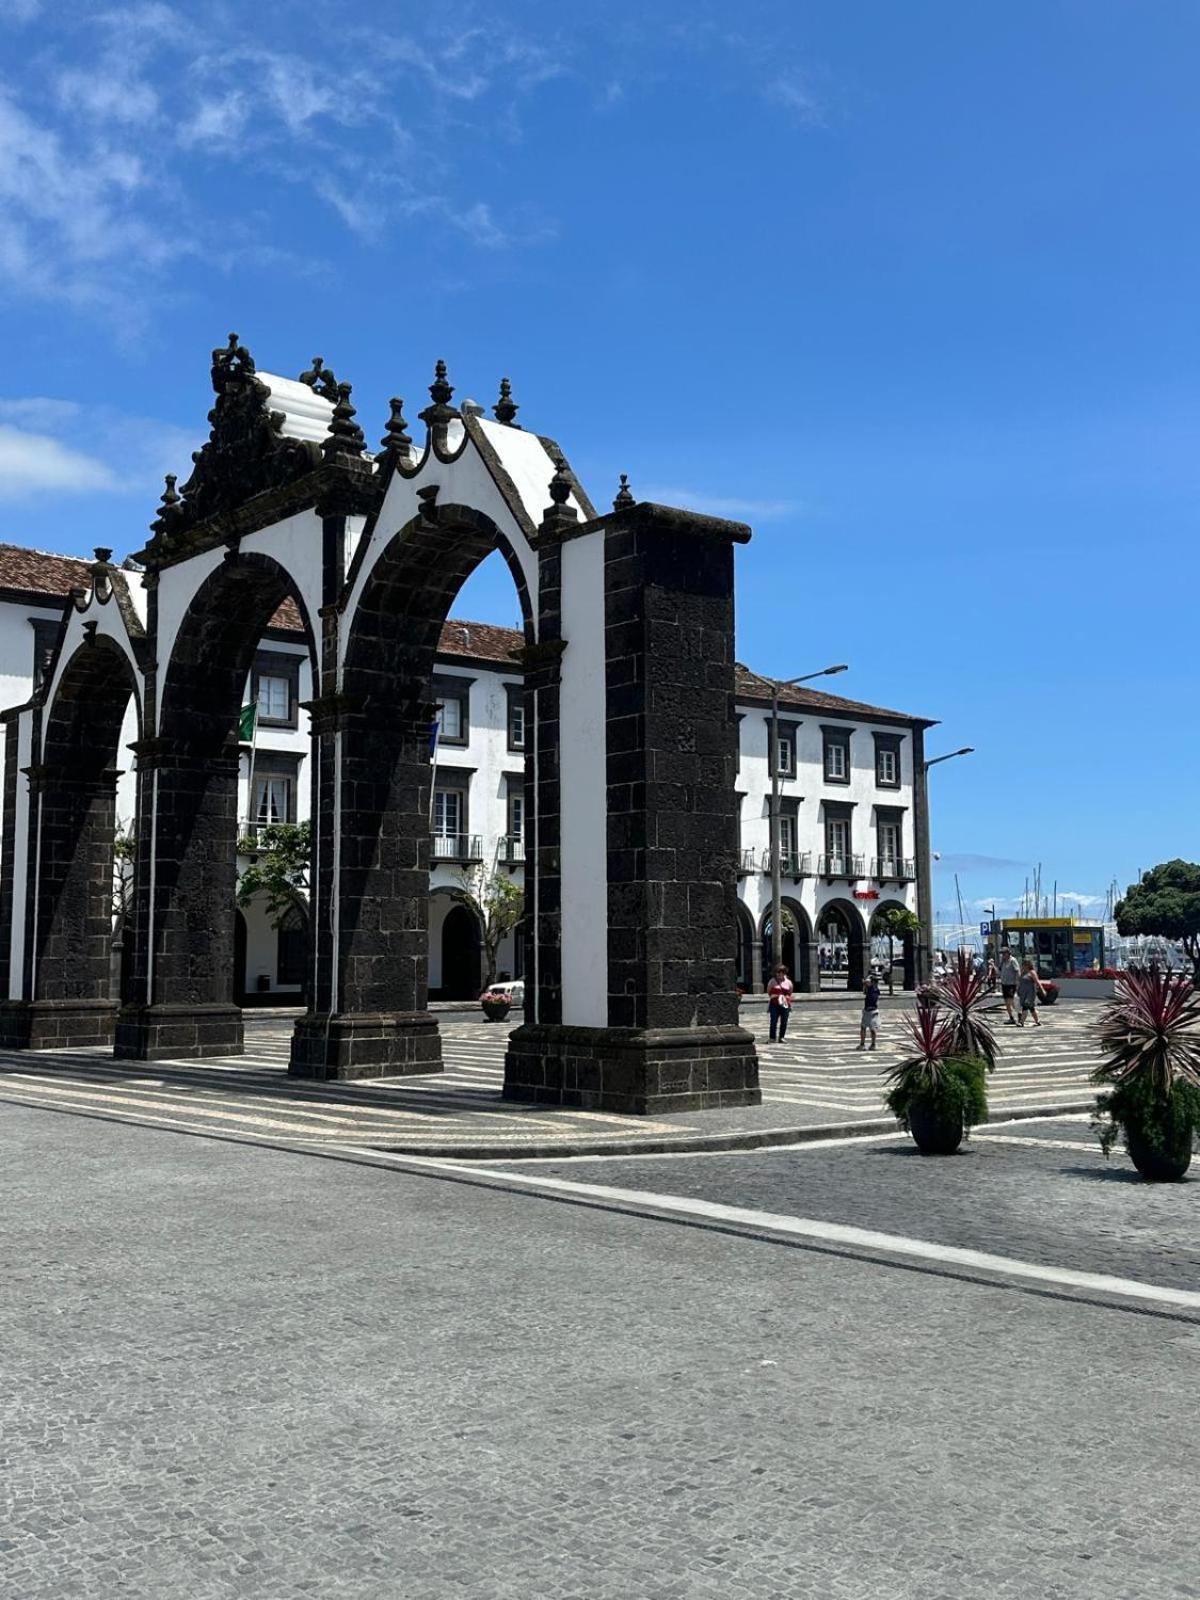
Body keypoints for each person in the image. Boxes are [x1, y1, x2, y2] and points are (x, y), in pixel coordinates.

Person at [767, 964, 794, 1042]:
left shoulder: (788, 982)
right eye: (778, 972)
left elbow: (790, 992)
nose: (779, 974)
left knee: (784, 1021)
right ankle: (772, 1037)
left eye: (781, 973)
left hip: (784, 1003)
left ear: (784, 973)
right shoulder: (772, 981)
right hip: (774, 1004)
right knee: (773, 1021)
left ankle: (781, 1037)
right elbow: (769, 991)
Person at [1017, 958, 1046, 1026]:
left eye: (1024, 964)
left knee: (1025, 1006)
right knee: (1031, 1007)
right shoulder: (1023, 973)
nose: (1023, 966)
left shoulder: (1032, 972)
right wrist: (1018, 989)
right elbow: (1019, 982)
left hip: (1030, 992)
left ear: (1028, 965)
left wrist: (1042, 990)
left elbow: (1037, 981)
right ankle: (1037, 1021)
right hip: (1023, 992)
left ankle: (1021, 1021)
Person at [858, 972, 881, 1051]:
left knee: (871, 1028)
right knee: (864, 1027)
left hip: (871, 1011)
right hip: (868, 1010)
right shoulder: (873, 989)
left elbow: (866, 983)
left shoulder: (874, 989)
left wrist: (865, 981)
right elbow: (865, 990)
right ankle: (866, 1044)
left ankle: (870, 1044)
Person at [999, 948, 1020, 1023]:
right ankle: (1011, 1017)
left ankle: (1019, 1014)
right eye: (1002, 954)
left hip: (1011, 984)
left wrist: (1017, 982)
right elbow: (1000, 970)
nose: (1003, 955)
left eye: (1004, 954)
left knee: (1011, 1001)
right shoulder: (1003, 962)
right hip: (1004, 984)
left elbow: (1017, 971)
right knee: (1007, 1002)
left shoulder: (1012, 960)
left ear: (1008, 953)